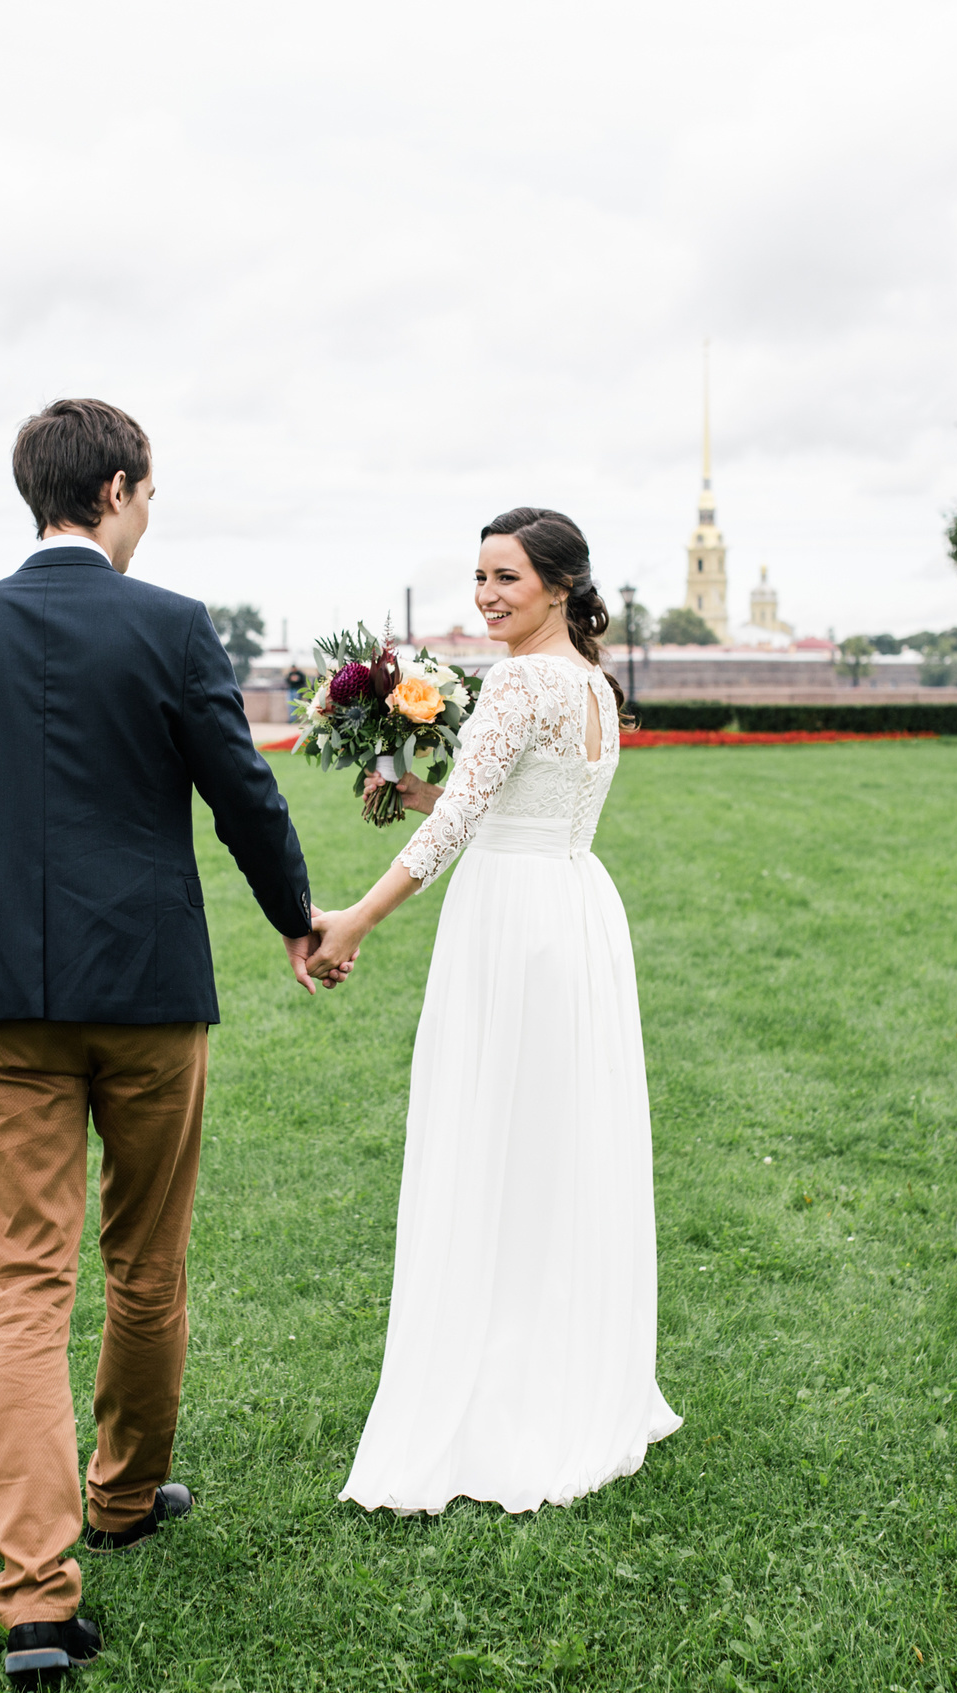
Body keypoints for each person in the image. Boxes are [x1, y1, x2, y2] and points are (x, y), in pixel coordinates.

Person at [0, 398, 332, 1692]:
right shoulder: (169, 623)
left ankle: (35, 1598)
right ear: (124, 488)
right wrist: (297, 918)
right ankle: (126, 1492)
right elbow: (241, 788)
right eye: (153, 493)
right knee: (146, 1256)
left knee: (22, 1282)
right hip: (148, 989)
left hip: (2, 1002)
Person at [310, 506, 680, 1515]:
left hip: (513, 921)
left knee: (494, 1134)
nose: (485, 594)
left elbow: (471, 820)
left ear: (559, 584)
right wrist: (413, 789)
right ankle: (566, 1367)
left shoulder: (522, 680)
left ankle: (501, 1387)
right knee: (555, 1140)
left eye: (506, 577)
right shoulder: (594, 685)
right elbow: (501, 800)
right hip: (572, 907)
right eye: (478, 576)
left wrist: (354, 918)